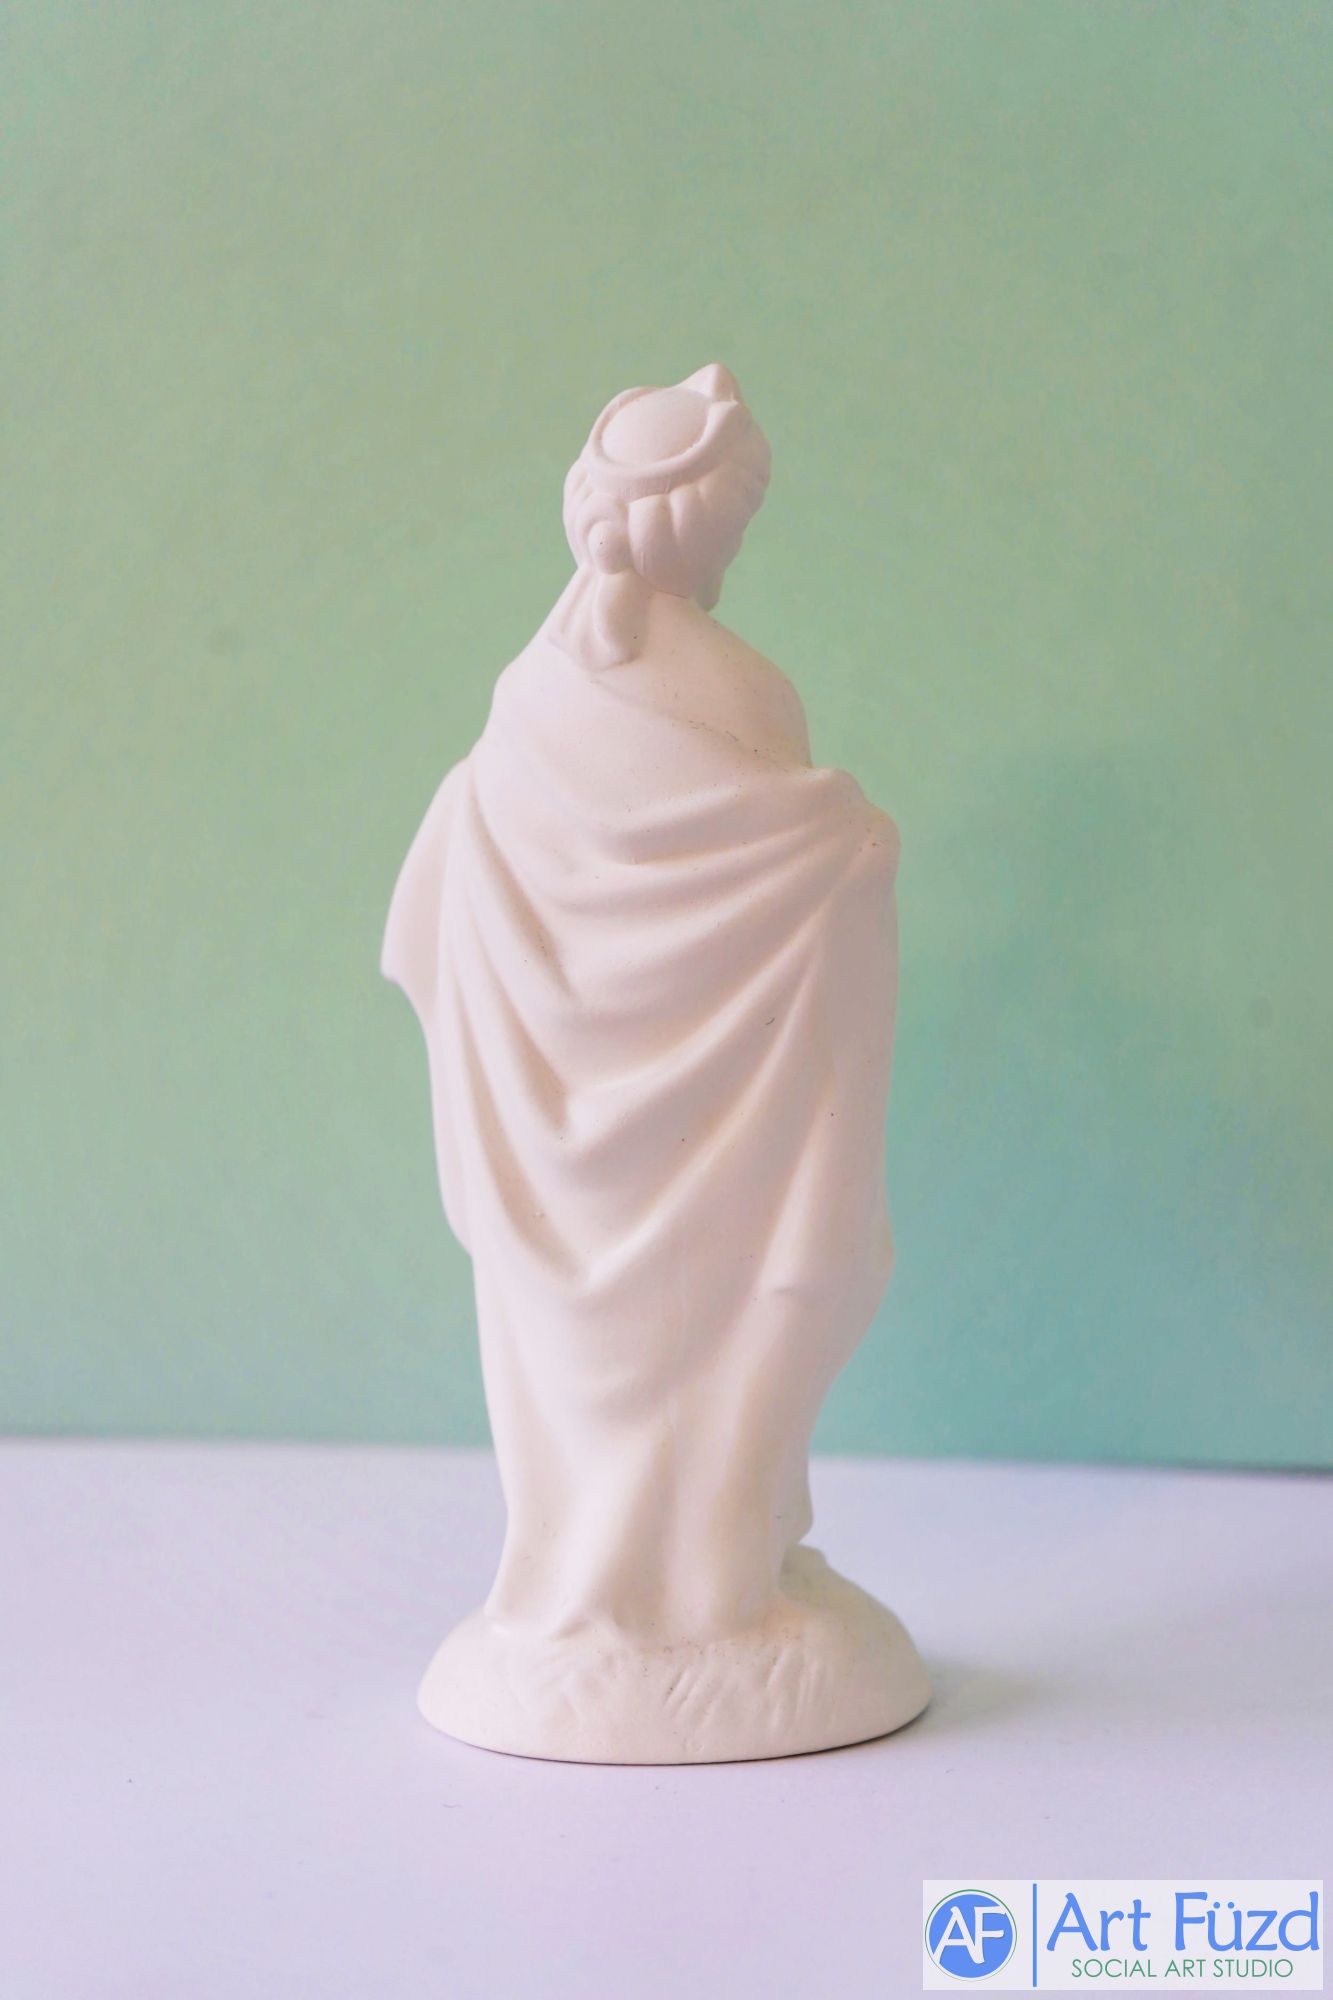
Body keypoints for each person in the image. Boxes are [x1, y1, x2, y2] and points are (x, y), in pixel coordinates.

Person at [383, 365, 927, 1760]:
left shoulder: (524, 695)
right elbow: (793, 865)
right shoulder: (739, 689)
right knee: (756, 1309)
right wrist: (856, 849)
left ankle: (644, 1588)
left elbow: (478, 865)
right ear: (708, 522)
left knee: (588, 1356)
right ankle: (704, 1590)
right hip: (725, 1133)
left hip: (550, 1128)